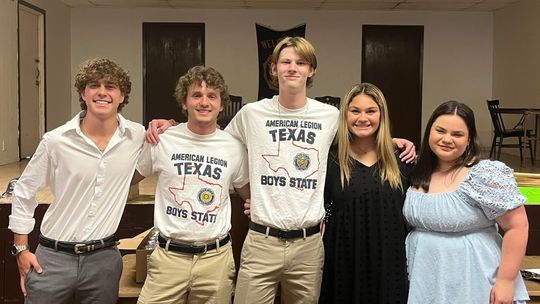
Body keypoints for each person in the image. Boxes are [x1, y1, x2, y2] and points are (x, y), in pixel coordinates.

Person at [147, 37, 416, 303]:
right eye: (285, 61)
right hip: (262, 239)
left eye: (301, 62)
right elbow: (213, 141)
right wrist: (172, 125)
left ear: (311, 70)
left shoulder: (329, 116)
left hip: (308, 243)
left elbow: (361, 131)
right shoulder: (252, 114)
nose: (292, 68)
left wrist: (391, 142)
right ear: (273, 69)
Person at [9, 58, 145, 304]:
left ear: (123, 95)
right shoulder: (56, 141)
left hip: (104, 261)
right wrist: (21, 250)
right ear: (83, 93)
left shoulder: (137, 136)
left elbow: (171, 137)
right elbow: (24, 191)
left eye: (110, 86)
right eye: (94, 85)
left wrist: (167, 124)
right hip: (52, 259)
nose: (102, 92)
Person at [132, 65, 250, 304]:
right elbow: (126, 180)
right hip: (168, 258)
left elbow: (248, 192)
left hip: (215, 260)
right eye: (196, 95)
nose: (204, 102)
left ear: (221, 103)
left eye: (212, 96)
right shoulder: (163, 139)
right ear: (184, 102)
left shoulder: (234, 147)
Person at [404, 100, 529, 304]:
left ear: (469, 139)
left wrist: (506, 280)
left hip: (475, 278)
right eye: (440, 131)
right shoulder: (415, 170)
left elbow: (518, 226)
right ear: (429, 133)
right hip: (426, 277)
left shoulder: (483, 175)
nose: (447, 139)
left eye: (457, 134)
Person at [320, 83, 410, 303]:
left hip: (389, 260)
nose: (363, 118)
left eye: (371, 111)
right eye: (355, 111)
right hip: (343, 261)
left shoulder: (401, 160)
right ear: (345, 115)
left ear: (382, 115)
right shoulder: (329, 159)